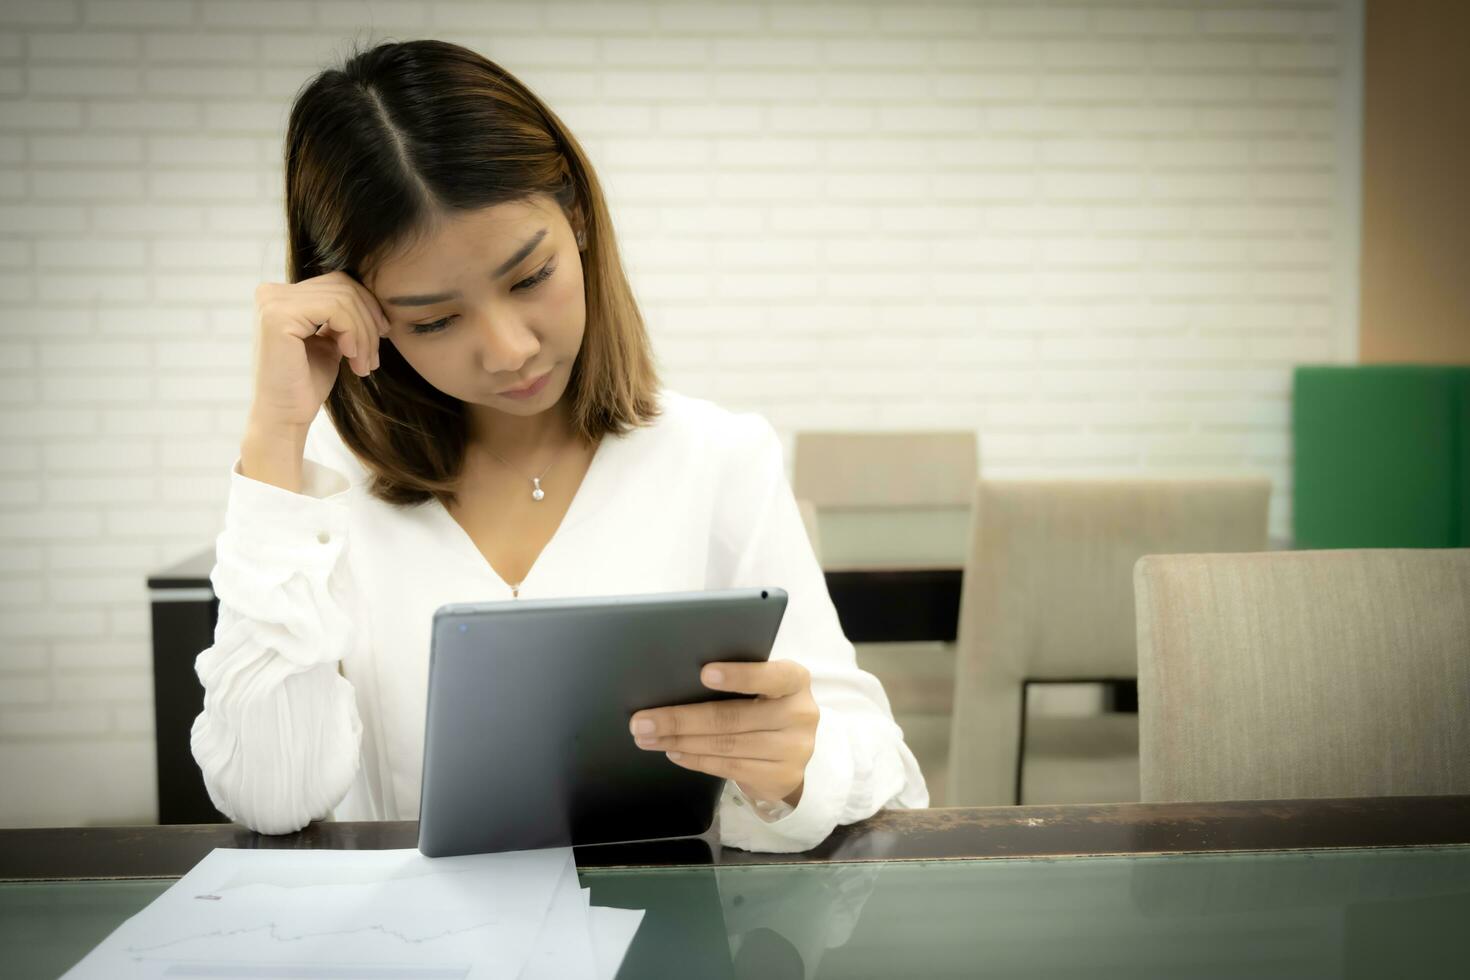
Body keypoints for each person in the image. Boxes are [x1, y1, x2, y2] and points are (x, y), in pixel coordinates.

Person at [191, 38, 927, 854]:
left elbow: (881, 765)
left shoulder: (717, 458)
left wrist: (795, 766)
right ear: (364, 314)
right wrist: (276, 434)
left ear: (575, 215)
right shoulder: (325, 496)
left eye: (530, 276)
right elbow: (269, 797)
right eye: (434, 320)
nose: (507, 349)